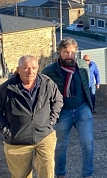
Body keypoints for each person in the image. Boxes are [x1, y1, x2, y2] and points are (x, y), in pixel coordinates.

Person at [0, 56, 63, 178]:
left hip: (44, 137)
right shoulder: (6, 88)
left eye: (34, 68)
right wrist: (7, 130)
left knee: (47, 173)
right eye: (26, 68)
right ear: (18, 69)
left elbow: (58, 100)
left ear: (38, 68)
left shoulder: (47, 84)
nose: (31, 72)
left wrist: (51, 120)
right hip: (17, 141)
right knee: (20, 175)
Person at [42, 38, 94, 178]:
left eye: (72, 52)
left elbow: (87, 86)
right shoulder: (49, 71)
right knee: (60, 146)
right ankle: (60, 174)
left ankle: (87, 174)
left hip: (82, 109)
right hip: (62, 113)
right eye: (65, 52)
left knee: (87, 143)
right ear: (59, 52)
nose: (69, 55)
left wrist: (90, 105)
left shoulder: (82, 65)